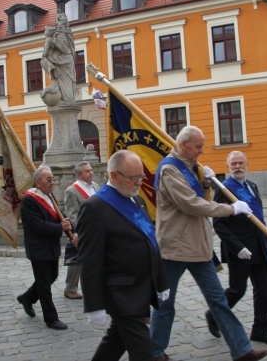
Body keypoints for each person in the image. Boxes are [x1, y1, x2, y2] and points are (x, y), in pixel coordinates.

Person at [150, 126, 267, 361]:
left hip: (199, 246)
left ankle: (242, 350)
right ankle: (154, 352)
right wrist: (231, 209)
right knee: (165, 304)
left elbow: (199, 196)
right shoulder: (170, 169)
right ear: (183, 145)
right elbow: (190, 204)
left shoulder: (191, 167)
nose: (202, 151)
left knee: (219, 301)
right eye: (198, 146)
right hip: (175, 247)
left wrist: (206, 184)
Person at [78, 150, 169, 361]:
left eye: (141, 176)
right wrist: (94, 305)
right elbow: (89, 260)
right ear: (114, 176)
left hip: (140, 288)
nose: (139, 182)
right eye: (133, 177)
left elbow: (151, 243)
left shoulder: (136, 201)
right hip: (120, 294)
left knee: (114, 343)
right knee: (143, 351)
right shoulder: (95, 208)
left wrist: (161, 281)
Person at [205, 151, 267, 345]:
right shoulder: (224, 189)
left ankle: (260, 331)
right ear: (228, 166)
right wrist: (237, 247)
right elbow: (219, 223)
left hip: (259, 246)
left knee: (264, 290)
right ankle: (213, 315)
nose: (237, 166)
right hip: (239, 250)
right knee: (237, 290)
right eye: (233, 164)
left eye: (240, 163)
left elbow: (259, 218)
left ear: (247, 164)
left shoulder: (252, 186)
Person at [16, 166, 73, 330]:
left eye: (53, 179)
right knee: (44, 284)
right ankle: (51, 318)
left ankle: (27, 298)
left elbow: (58, 215)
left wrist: (71, 229)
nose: (52, 182)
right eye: (49, 179)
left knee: (50, 277)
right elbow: (37, 225)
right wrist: (60, 227)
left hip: (51, 245)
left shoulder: (49, 195)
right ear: (38, 181)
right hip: (38, 247)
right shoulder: (29, 199)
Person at [63, 161, 100, 300]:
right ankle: (70, 288)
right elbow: (73, 215)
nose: (91, 172)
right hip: (82, 231)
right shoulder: (72, 190)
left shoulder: (96, 186)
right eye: (87, 171)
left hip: (97, 228)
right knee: (77, 261)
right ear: (79, 175)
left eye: (91, 170)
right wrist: (80, 232)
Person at [40, 12, 77, 107]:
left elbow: (64, 48)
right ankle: (67, 99)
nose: (56, 23)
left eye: (58, 20)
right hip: (63, 59)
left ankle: (68, 100)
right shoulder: (64, 33)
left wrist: (53, 41)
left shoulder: (62, 34)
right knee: (62, 79)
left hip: (65, 60)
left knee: (66, 79)